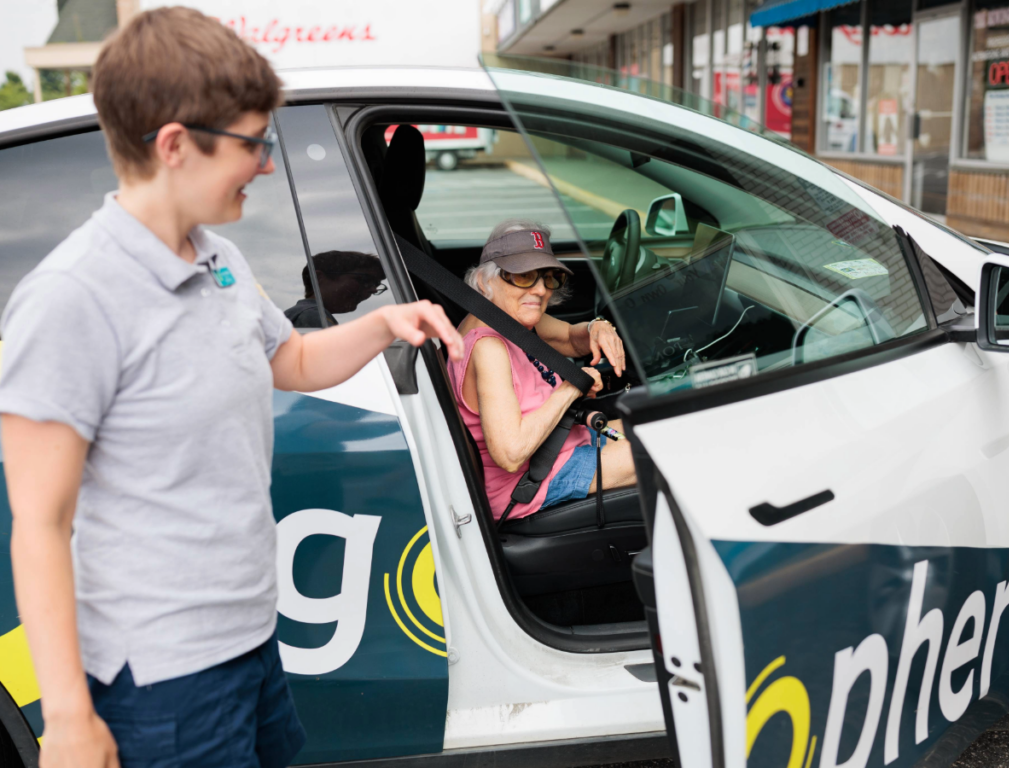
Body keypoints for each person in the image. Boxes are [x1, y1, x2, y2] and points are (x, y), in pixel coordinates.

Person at [0, 9, 463, 768]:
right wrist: (70, 719)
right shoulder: (72, 299)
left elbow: (293, 362)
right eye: (256, 144)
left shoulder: (217, 258)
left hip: (249, 641)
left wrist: (387, 323)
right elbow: (40, 526)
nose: (269, 164)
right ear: (176, 146)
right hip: (161, 678)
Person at [448, 220, 636, 523]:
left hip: (564, 443)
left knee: (658, 426)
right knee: (662, 453)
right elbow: (511, 454)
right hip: (531, 480)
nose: (539, 290)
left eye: (547, 277)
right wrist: (571, 388)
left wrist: (596, 326)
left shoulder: (511, 319)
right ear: (485, 281)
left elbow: (570, 340)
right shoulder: (488, 347)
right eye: (523, 276)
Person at [285, 250, 387, 328]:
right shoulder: (311, 315)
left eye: (376, 284)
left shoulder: (300, 314)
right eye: (365, 280)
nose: (373, 290)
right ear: (318, 278)